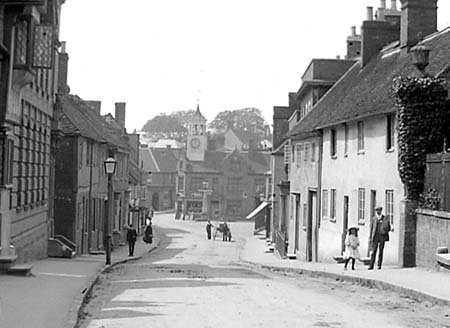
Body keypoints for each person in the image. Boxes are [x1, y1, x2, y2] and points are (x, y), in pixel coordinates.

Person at [368, 206, 391, 270]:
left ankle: (379, 265)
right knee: (373, 251)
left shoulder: (384, 218)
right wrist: (370, 237)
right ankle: (371, 265)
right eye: (377, 210)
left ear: (381, 211)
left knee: (381, 251)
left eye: (379, 210)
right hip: (375, 236)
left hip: (382, 236)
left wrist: (385, 229)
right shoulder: (374, 219)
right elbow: (371, 228)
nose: (378, 212)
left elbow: (388, 227)